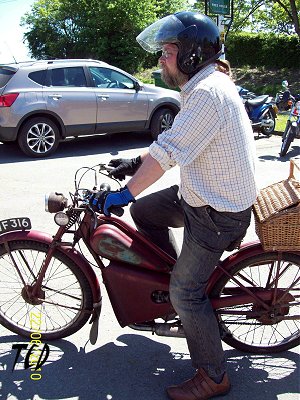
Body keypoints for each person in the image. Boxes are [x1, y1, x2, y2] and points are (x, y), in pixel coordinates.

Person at [91, 11, 258, 400]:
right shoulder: (203, 85)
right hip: (202, 195)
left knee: (186, 293)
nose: (161, 59)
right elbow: (181, 141)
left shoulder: (206, 93)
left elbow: (169, 151)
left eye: (168, 52)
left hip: (217, 213)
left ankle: (214, 375)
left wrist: (124, 191)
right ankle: (174, 275)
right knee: (145, 213)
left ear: (191, 55)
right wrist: (136, 164)